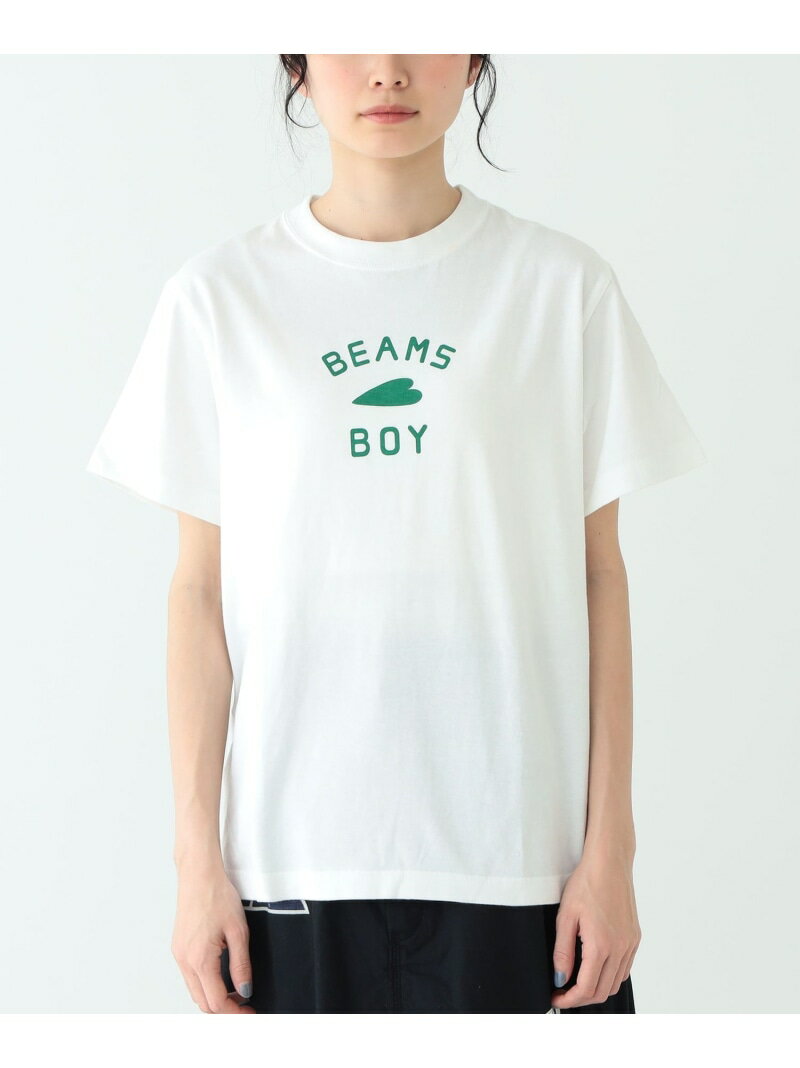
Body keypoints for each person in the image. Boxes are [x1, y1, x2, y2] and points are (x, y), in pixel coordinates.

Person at [85, 54, 708, 1014]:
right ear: (298, 65)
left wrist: (611, 851)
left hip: (523, 868)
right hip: (292, 867)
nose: (387, 69)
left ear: (474, 57)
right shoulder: (219, 298)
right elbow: (199, 594)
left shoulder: (560, 288)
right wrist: (195, 862)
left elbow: (600, 579)